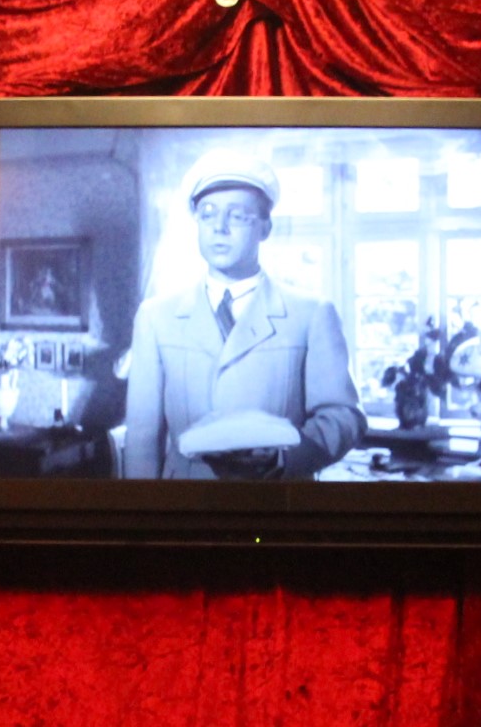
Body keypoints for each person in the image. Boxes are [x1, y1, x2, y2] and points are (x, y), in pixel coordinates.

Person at [122, 148, 362, 479]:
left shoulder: (311, 314)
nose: (219, 228)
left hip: (276, 498)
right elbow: (142, 438)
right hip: (186, 503)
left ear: (265, 228)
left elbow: (344, 416)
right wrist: (143, 510)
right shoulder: (155, 317)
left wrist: (283, 459)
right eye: (208, 214)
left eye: (237, 216)